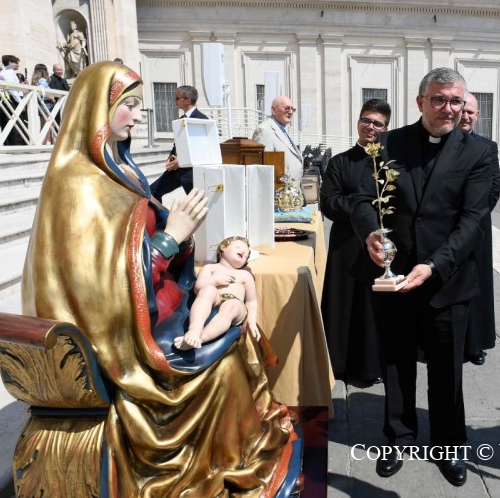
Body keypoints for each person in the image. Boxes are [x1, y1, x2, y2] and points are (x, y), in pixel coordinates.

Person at [22, 61, 300, 495]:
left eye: (138, 106)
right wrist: (171, 239)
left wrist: (179, 238)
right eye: (129, 105)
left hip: (151, 311)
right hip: (119, 340)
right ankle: (217, 458)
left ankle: (232, 444)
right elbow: (97, 285)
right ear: (96, 109)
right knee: (224, 366)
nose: (138, 116)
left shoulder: (118, 172)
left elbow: (136, 245)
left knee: (234, 318)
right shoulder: (78, 188)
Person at [350, 67, 494, 487]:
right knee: (396, 363)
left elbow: (473, 219)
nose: (448, 109)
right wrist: (370, 233)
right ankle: (398, 437)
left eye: (455, 101)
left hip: (447, 278)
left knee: (448, 370)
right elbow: (362, 199)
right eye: (438, 100)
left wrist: (433, 265)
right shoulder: (388, 144)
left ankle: (448, 446)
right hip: (394, 277)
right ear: (420, 102)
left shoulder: (479, 151)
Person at [320, 98, 391, 385]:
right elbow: (329, 203)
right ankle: (339, 363)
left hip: (382, 245)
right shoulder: (340, 162)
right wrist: (362, 205)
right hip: (347, 246)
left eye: (378, 123)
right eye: (366, 120)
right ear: (358, 122)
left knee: (375, 307)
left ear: (386, 128)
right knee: (345, 303)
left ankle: (373, 366)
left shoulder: (390, 163)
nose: (370, 126)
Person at [458, 93, 500, 366]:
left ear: (477, 116)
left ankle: (474, 344)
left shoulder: (487, 146)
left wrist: (473, 218)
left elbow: (494, 188)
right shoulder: (444, 143)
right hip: (445, 228)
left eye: (471, 112)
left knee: (477, 287)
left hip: (477, 229)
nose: (466, 116)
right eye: (462, 111)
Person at [175, 236, 260, 350]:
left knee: (231, 306)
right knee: (207, 290)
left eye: (246, 254)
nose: (243, 252)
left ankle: (201, 338)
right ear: (223, 247)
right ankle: (194, 330)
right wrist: (215, 280)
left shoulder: (245, 275)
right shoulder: (210, 268)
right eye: (238, 247)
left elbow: (251, 301)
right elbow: (198, 287)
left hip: (236, 305)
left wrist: (252, 323)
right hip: (216, 298)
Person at [149, 85, 208, 201]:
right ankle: (161, 214)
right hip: (176, 171)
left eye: (177, 98)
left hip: (190, 173)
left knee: (197, 204)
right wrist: (170, 158)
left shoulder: (201, 119)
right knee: (152, 192)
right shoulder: (180, 119)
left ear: (188, 101)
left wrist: (181, 161)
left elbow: (201, 148)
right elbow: (177, 144)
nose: (174, 100)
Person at [252, 95, 304, 190]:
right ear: (274, 110)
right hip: (279, 193)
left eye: (292, 109)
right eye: (287, 108)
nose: (290, 112)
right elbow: (264, 169)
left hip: (292, 193)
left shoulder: (282, 130)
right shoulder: (264, 130)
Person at [0, 55, 25, 146]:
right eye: (16, 63)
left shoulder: (8, 72)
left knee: (13, 122)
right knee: (15, 122)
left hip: (12, 98)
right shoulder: (7, 72)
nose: (18, 65)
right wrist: (20, 102)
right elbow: (12, 89)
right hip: (11, 98)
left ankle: (13, 143)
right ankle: (16, 144)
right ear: (10, 63)